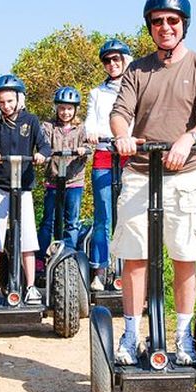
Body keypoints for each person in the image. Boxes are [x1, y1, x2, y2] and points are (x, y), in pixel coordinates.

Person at [109, 0, 196, 365]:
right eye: (157, 21)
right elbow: (120, 111)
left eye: (172, 20)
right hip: (141, 170)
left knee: (184, 254)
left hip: (185, 173)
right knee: (134, 255)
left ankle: (184, 337)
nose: (165, 27)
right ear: (150, 27)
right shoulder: (137, 70)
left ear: (183, 25)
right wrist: (122, 135)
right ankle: (129, 335)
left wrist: (187, 140)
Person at [0, 74, 50, 304]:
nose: (6, 106)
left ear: (19, 99)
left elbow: (44, 145)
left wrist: (41, 154)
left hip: (24, 187)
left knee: (28, 239)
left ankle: (30, 286)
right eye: (1, 102)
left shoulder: (31, 121)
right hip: (1, 185)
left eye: (9, 101)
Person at [84, 39, 134, 291]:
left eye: (117, 59)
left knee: (129, 215)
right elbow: (90, 122)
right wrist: (92, 133)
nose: (112, 64)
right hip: (104, 155)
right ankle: (100, 270)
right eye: (107, 60)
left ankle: (128, 269)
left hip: (130, 157)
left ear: (127, 59)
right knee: (103, 216)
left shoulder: (137, 87)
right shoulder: (97, 93)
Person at [37, 87, 89, 267]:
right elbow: (42, 144)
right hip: (53, 181)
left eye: (69, 108)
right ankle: (40, 259)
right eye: (62, 108)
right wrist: (43, 153)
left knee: (72, 221)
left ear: (75, 109)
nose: (65, 112)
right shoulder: (49, 127)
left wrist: (84, 150)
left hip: (74, 181)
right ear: (56, 109)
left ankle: (68, 257)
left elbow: (88, 148)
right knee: (48, 221)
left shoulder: (81, 129)